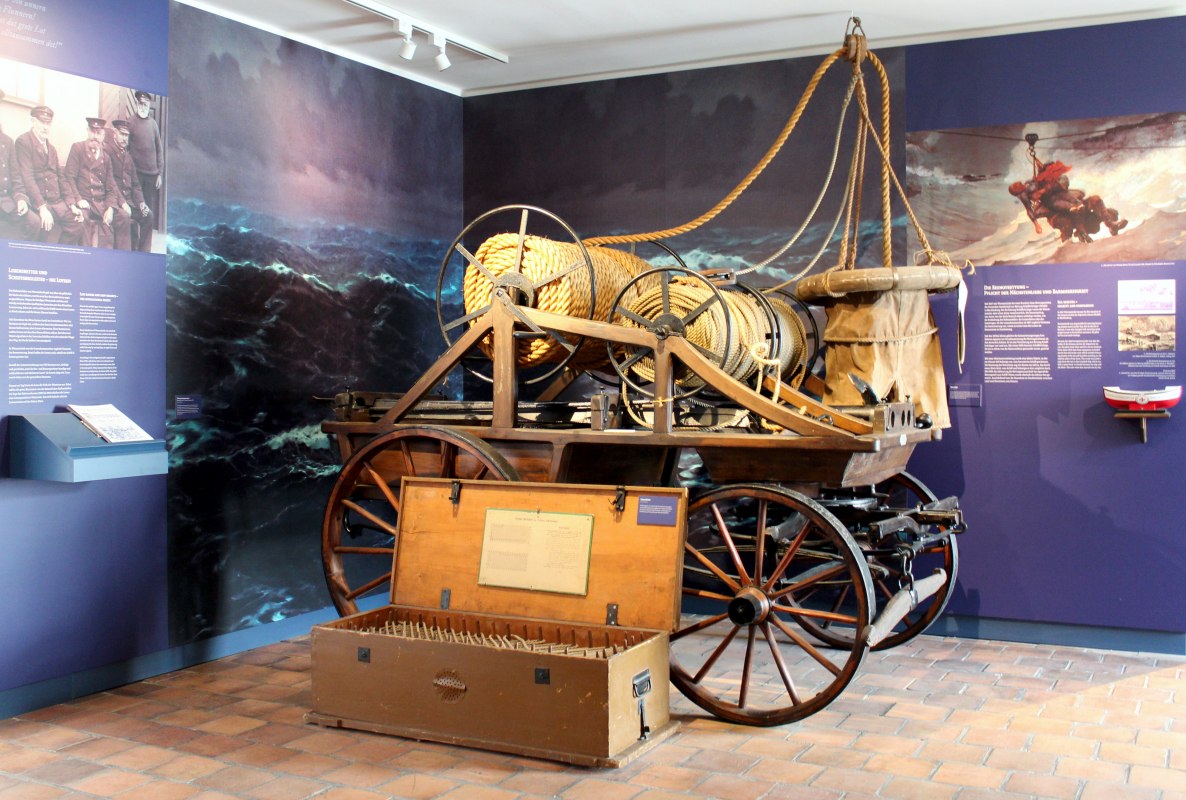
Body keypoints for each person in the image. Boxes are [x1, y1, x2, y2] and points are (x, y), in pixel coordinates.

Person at [13, 105, 84, 245]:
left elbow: (61, 178)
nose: (45, 127)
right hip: (39, 202)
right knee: (44, 226)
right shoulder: (23, 142)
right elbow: (27, 178)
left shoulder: (51, 149)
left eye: (48, 123)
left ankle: (60, 256)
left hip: (57, 203)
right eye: (42, 122)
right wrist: (42, 207)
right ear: (33, 121)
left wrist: (71, 204)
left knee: (78, 224)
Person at [1008, 160, 1126, 244]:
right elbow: (1030, 209)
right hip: (1058, 212)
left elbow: (1064, 183)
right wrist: (1036, 224)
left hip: (1074, 204)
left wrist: (1048, 183)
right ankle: (1078, 237)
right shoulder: (1030, 191)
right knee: (1069, 220)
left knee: (1095, 200)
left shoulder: (1055, 179)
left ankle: (1112, 226)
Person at [63, 117, 130, 249]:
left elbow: (111, 188)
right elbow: (69, 178)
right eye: (93, 132)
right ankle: (87, 259)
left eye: (98, 133)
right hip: (85, 202)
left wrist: (111, 208)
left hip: (101, 204)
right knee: (82, 219)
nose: (95, 137)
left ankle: (122, 256)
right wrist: (78, 199)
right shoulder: (77, 148)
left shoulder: (106, 157)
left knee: (123, 216)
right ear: (88, 131)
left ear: (103, 135)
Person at [105, 119, 151, 251]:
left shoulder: (128, 156)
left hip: (130, 202)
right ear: (114, 133)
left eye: (127, 135)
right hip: (115, 202)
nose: (125, 138)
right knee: (124, 216)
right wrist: (122, 203)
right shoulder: (107, 151)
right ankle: (123, 253)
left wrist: (141, 203)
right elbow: (110, 182)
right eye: (122, 134)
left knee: (148, 216)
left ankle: (143, 253)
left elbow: (135, 184)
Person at [127, 90, 163, 252]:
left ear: (149, 106)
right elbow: (126, 149)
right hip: (135, 176)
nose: (143, 107)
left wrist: (160, 173)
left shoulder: (153, 124)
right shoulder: (131, 122)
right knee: (135, 209)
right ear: (136, 104)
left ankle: (145, 249)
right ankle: (134, 246)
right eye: (140, 103)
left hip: (151, 175)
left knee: (148, 213)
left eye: (146, 104)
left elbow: (159, 149)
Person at [0, 89, 32, 240]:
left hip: (6, 201)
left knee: (33, 222)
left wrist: (20, 199)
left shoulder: (7, 141)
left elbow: (16, 177)